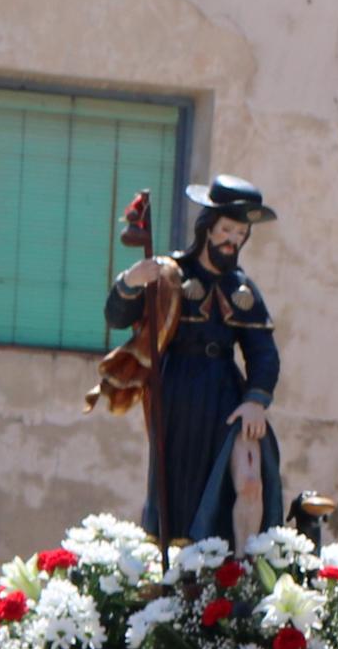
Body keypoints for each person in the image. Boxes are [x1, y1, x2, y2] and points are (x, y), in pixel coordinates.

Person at [107, 176, 283, 542]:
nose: (233, 240)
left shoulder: (243, 290)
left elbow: (262, 352)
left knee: (249, 479)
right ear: (208, 227)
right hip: (177, 390)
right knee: (176, 487)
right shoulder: (171, 274)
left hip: (226, 394)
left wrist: (255, 400)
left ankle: (240, 571)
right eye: (227, 229)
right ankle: (177, 564)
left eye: (240, 233)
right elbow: (117, 318)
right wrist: (130, 282)